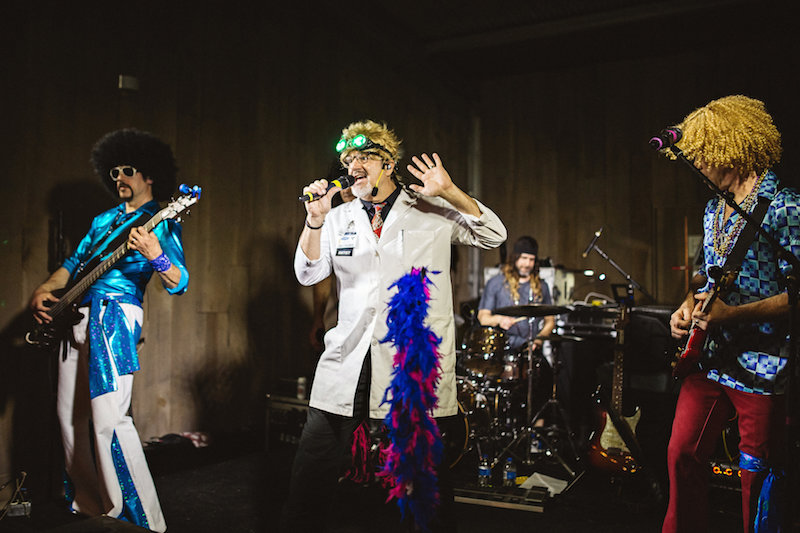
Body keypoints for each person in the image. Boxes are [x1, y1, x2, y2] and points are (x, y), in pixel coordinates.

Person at [288, 119, 507, 532]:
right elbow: (308, 273)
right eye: (348, 158)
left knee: (424, 480)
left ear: (388, 165)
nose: (353, 165)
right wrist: (314, 220)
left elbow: (493, 235)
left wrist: (451, 192)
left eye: (364, 157)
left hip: (411, 363)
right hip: (348, 360)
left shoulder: (430, 208)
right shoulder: (337, 218)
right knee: (311, 473)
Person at [28, 129, 189, 532]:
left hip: (115, 316)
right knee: (69, 419)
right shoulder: (102, 220)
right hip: (75, 318)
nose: (120, 177)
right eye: (114, 171)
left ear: (148, 175)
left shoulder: (160, 220)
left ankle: (138, 521)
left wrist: (156, 256)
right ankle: (89, 508)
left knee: (109, 419)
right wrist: (46, 290)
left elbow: (180, 281)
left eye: (128, 170)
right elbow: (74, 260)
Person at [663, 95, 792, 533]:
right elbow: (708, 276)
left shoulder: (786, 208)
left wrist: (731, 314)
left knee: (756, 479)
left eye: (703, 157)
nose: (697, 166)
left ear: (730, 153)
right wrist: (688, 305)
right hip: (712, 359)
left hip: (765, 363)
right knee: (681, 453)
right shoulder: (714, 208)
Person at [477, 235, 556, 352]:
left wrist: (539, 340)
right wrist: (500, 320)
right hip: (502, 348)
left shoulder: (542, 286)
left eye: (531, 259)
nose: (527, 264)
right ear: (515, 258)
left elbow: (550, 321)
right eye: (523, 258)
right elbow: (483, 318)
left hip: (530, 349)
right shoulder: (496, 283)